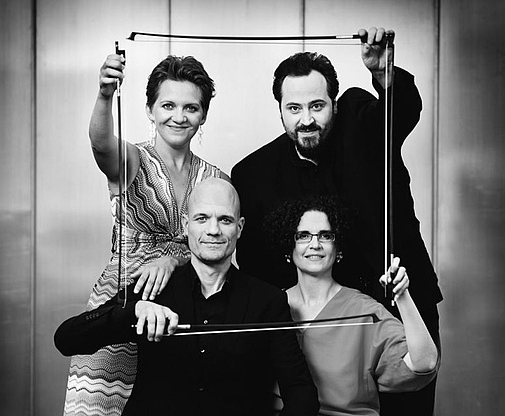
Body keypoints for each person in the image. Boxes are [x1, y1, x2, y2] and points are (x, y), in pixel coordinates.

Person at [231, 27, 442, 415]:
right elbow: (259, 271)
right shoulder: (252, 174)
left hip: (402, 302)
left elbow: (401, 113)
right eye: (294, 109)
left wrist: (384, 72)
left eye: (317, 106)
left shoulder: (363, 121)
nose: (306, 120)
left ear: (335, 103)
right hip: (326, 328)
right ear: (279, 109)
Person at [55, 178, 319, 416]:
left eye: (225, 220)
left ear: (239, 228)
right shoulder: (152, 288)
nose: (213, 230)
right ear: (186, 225)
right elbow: (67, 338)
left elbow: (301, 392)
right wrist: (133, 310)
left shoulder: (268, 301)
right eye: (202, 218)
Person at [63, 54, 228, 416]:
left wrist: (174, 259)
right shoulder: (133, 159)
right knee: (103, 404)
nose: (179, 116)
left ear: (203, 115)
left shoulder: (215, 179)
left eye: (191, 107)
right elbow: (101, 144)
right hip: (123, 298)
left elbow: (220, 246)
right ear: (150, 109)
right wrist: (105, 95)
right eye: (168, 105)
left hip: (184, 302)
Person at [267, 195, 439, 415]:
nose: (315, 244)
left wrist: (402, 294)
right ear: (288, 247)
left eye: (326, 235)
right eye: (303, 236)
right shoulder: (269, 305)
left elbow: (425, 363)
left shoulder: (364, 311)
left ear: (338, 248)